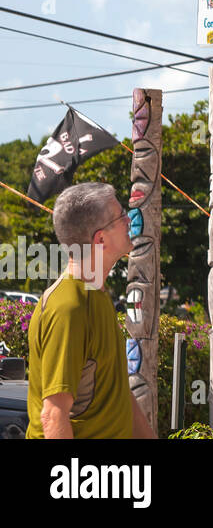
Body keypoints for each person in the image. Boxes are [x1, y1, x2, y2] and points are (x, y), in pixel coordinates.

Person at [27, 182, 156, 439]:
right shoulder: (68, 308)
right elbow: (54, 416)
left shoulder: (96, 295)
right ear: (100, 238)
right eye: (121, 216)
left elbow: (117, 393)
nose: (130, 220)